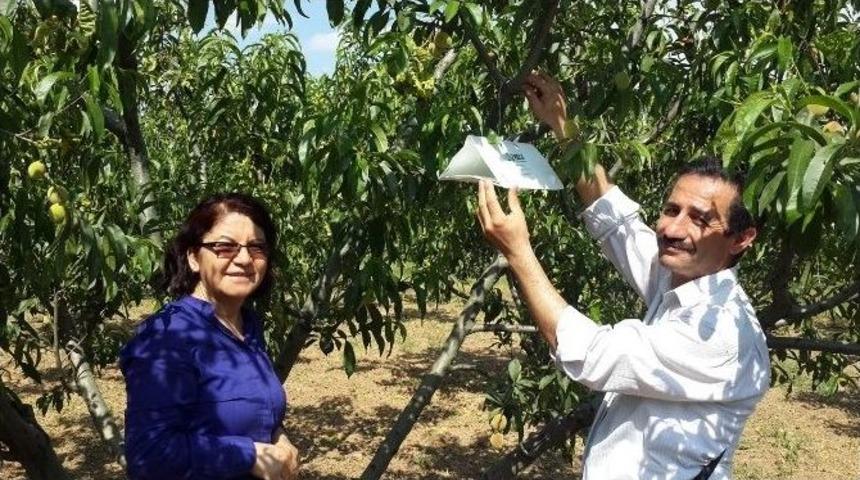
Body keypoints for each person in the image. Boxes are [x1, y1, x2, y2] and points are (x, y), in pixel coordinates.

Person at [476, 72, 770, 479]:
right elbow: (616, 221)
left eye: (700, 219)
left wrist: (518, 252)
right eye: (671, 210)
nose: (672, 229)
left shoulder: (720, 332)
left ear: (741, 238)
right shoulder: (680, 278)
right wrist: (563, 126)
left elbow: (592, 355)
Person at [120, 193, 299, 480]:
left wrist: (279, 437)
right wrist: (249, 455)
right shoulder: (166, 339)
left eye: (256, 247)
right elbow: (149, 456)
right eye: (225, 247)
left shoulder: (248, 325)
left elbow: (256, 411)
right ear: (193, 257)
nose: (244, 259)